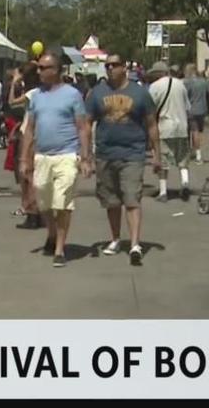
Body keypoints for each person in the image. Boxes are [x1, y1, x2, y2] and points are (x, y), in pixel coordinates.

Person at [87, 54, 159, 266]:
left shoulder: (140, 93)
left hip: (133, 153)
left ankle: (135, 244)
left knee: (131, 198)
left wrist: (157, 154)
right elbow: (86, 123)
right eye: (107, 65)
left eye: (114, 65)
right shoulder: (96, 93)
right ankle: (116, 239)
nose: (110, 68)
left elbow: (152, 124)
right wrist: (86, 155)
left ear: (124, 67)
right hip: (105, 153)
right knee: (111, 200)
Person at [20, 52, 91, 267]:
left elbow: (82, 127)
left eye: (44, 68)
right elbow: (30, 129)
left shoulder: (72, 95)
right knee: (44, 203)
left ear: (56, 70)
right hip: (42, 156)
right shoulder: (36, 96)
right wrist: (24, 158)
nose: (39, 72)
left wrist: (86, 158)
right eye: (39, 68)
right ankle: (52, 233)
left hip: (67, 155)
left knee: (62, 203)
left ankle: (60, 248)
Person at [148, 61, 191, 202]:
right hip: (182, 127)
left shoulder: (154, 87)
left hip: (164, 127)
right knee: (182, 159)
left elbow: (150, 110)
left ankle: (163, 191)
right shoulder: (181, 84)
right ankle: (185, 183)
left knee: (163, 161)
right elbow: (187, 107)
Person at [8, 63, 42, 227]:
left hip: (29, 136)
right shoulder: (42, 92)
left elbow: (12, 102)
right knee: (34, 175)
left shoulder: (32, 93)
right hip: (38, 134)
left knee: (28, 175)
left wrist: (14, 83)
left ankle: (32, 212)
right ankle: (37, 212)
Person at [185, 64, 209, 164]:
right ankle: (195, 152)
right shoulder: (204, 82)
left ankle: (196, 154)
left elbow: (185, 96)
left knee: (192, 132)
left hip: (191, 110)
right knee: (199, 132)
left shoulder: (188, 83)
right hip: (202, 109)